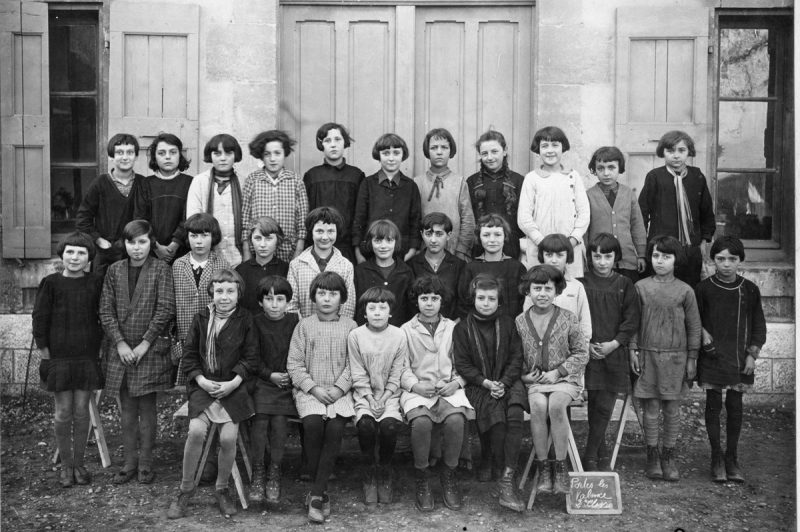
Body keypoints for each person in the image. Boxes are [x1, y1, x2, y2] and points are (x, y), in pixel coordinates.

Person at [167, 269, 260, 519]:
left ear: (239, 293)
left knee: (228, 439)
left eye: (230, 291)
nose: (224, 296)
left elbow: (251, 357)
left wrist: (234, 382)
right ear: (212, 292)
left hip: (233, 388)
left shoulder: (246, 319)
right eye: (219, 291)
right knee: (196, 431)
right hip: (204, 386)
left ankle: (222, 488)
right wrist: (201, 380)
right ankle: (185, 489)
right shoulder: (200, 319)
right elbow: (189, 356)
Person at [99, 220, 175, 485]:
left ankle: (145, 463)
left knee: (147, 407)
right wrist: (120, 343)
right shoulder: (114, 270)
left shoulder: (161, 270)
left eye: (143, 242)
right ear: (125, 244)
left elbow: (165, 309)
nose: (137, 248)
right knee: (127, 409)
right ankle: (129, 462)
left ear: (151, 243)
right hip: (121, 351)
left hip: (149, 349)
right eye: (132, 242)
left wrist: (144, 343)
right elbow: (105, 310)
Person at [33, 232, 104, 487]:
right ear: (62, 254)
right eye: (70, 252)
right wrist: (46, 357)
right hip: (59, 359)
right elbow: (39, 322)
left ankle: (79, 463)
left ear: (89, 258)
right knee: (63, 412)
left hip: (86, 357)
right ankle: (65, 466)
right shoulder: (50, 283)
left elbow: (103, 317)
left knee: (81, 410)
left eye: (81, 253)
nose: (75, 257)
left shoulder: (96, 282)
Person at [629, 235, 702, 482]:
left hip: (676, 358)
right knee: (650, 406)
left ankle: (668, 455)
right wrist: (633, 349)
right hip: (648, 354)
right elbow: (634, 323)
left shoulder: (685, 291)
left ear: (676, 260)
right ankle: (652, 455)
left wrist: (692, 357)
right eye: (656, 255)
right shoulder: (641, 287)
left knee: (671, 407)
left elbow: (694, 326)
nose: (660, 261)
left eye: (666, 256)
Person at [287, 272, 357, 523]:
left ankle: (316, 494)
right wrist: (313, 388)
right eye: (322, 293)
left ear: (342, 298)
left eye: (333, 294)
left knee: (336, 427)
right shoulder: (304, 325)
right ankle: (322, 491)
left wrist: (339, 388)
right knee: (313, 424)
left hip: (341, 392)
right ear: (314, 296)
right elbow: (294, 365)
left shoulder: (351, 326)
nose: (327, 299)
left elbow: (355, 364)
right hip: (311, 391)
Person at [695, 236, 766, 483]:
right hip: (712, 355)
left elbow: (758, 324)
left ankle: (731, 458)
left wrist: (752, 354)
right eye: (720, 259)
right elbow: (694, 319)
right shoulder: (703, 289)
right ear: (712, 259)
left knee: (735, 407)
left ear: (740, 261)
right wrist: (702, 334)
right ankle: (716, 457)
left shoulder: (749, 290)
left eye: (732, 259)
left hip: (740, 357)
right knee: (713, 405)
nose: (726, 264)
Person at [401, 275, 474, 512]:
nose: (429, 303)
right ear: (416, 300)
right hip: (418, 390)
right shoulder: (405, 330)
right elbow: (399, 367)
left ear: (442, 301)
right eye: (424, 298)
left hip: (448, 388)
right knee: (421, 423)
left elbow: (464, 363)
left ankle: (449, 474)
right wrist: (413, 385)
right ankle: (422, 475)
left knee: (455, 420)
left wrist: (457, 382)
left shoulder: (453, 327)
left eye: (435, 298)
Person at [453, 274, 526, 512]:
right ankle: (496, 467)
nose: (486, 303)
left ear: (499, 300)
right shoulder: (462, 328)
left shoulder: (507, 323)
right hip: (479, 384)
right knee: (495, 416)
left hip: (508, 380)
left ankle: (505, 476)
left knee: (514, 412)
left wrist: (503, 382)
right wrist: (487, 383)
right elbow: (463, 364)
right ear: (473, 298)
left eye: (491, 298)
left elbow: (516, 357)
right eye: (481, 298)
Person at [516, 265, 588, 496]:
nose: (543, 293)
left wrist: (558, 372)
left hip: (565, 379)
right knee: (538, 406)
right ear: (528, 290)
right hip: (536, 381)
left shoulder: (568, 317)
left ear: (557, 290)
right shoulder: (520, 321)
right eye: (537, 288)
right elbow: (515, 356)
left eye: (548, 288)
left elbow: (581, 352)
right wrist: (524, 375)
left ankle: (561, 466)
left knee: (556, 405)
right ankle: (543, 466)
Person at [579, 233, 641, 471]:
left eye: (607, 256)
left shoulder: (624, 284)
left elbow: (631, 318)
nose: (602, 262)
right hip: (588, 350)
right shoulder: (582, 283)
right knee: (594, 403)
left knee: (606, 404)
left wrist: (615, 343)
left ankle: (589, 454)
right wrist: (586, 345)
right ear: (590, 257)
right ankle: (599, 453)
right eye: (597, 256)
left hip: (614, 351)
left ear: (616, 257)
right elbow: (575, 317)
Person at [348, 288, 407, 504]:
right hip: (364, 395)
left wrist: (385, 397)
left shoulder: (399, 335)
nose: (377, 313)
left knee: (390, 426)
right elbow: (357, 371)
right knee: (366, 426)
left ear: (391, 311)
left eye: (383, 308)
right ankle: (368, 470)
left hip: (390, 395)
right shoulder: (356, 336)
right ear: (364, 312)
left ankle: (384, 468)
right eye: (371, 308)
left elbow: (397, 371)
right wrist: (371, 398)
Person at [638, 130, 715, 289]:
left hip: (690, 248)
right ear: (662, 152)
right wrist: (643, 248)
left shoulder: (697, 176)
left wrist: (703, 242)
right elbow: (642, 214)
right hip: (662, 247)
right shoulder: (655, 177)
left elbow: (706, 211)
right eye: (670, 151)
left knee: (689, 289)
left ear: (689, 152)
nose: (676, 156)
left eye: (682, 150)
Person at [249, 276, 300, 503]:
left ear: (288, 301)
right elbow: (251, 357)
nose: (275, 304)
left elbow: (300, 352)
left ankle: (275, 471)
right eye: (269, 299)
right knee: (259, 419)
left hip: (287, 383)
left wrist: (290, 375)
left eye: (280, 299)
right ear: (261, 302)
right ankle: (258, 470)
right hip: (263, 381)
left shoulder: (295, 321)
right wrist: (270, 374)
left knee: (279, 421)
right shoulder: (254, 322)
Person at [518, 126, 590, 279]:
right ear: (538, 150)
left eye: (555, 145)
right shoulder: (532, 178)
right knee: (541, 285)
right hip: (540, 248)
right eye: (545, 146)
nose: (550, 150)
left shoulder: (573, 176)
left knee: (568, 289)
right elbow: (524, 218)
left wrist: (572, 241)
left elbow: (584, 213)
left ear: (563, 147)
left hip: (569, 249)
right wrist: (542, 242)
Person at [172, 214, 230, 387]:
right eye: (194, 236)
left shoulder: (221, 263)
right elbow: (173, 304)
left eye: (204, 236)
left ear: (213, 237)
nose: (199, 241)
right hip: (185, 337)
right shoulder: (178, 265)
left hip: (214, 337)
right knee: (190, 386)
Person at [76, 133, 144, 278]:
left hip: (134, 251)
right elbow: (83, 218)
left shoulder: (143, 183)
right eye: (119, 152)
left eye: (130, 152)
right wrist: (100, 241)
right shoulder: (100, 183)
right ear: (111, 157)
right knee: (103, 294)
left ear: (136, 156)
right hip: (106, 253)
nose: (125, 157)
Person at [352, 133, 422, 263]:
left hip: (403, 254)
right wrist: (358, 252)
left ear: (403, 155)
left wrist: (412, 252)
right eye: (385, 153)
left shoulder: (411, 186)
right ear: (378, 155)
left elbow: (415, 221)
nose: (391, 158)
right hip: (370, 253)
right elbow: (359, 220)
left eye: (396, 153)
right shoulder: (367, 184)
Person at [241, 130, 309, 262]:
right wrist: (246, 252)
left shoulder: (295, 181)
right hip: (258, 254)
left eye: (277, 153)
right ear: (261, 156)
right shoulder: (252, 180)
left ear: (285, 154)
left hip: (287, 253)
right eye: (267, 154)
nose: (272, 159)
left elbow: (302, 223)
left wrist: (298, 252)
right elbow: (245, 221)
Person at [303, 123, 365, 265]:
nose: (333, 145)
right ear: (321, 145)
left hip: (347, 248)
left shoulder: (356, 175)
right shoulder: (312, 176)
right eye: (327, 141)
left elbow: (360, 214)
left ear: (345, 143)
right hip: (318, 246)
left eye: (338, 140)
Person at [585, 146, 647, 284]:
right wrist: (586, 259)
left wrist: (641, 254)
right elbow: (585, 231)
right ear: (595, 170)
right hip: (600, 262)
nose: (606, 173)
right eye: (601, 168)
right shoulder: (588, 196)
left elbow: (637, 226)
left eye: (611, 168)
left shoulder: (628, 194)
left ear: (620, 168)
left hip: (627, 260)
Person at [413, 128, 475, 261]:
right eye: (434, 148)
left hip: (454, 252)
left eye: (444, 147)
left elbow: (468, 220)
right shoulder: (417, 182)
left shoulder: (459, 182)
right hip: (425, 253)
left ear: (450, 151)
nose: (439, 152)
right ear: (427, 151)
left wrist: (461, 251)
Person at [134, 133, 194, 265]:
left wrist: (175, 245)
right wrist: (156, 246)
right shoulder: (145, 184)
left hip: (182, 252)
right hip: (152, 252)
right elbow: (141, 219)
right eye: (161, 153)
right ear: (154, 157)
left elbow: (189, 218)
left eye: (173, 152)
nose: (168, 157)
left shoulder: (190, 182)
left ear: (180, 155)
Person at [186, 134, 245, 267]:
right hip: (207, 257)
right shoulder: (200, 181)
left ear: (235, 155)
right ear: (210, 155)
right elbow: (193, 220)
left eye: (228, 153)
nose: (223, 158)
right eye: (217, 153)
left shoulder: (244, 182)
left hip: (238, 257)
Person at [287, 207, 356, 319]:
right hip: (304, 331)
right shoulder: (296, 265)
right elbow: (291, 304)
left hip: (336, 332)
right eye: (319, 231)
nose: (325, 237)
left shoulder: (346, 265)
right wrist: (303, 328)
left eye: (330, 231)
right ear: (311, 232)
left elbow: (348, 306)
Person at [466, 130, 525, 260]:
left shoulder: (519, 181)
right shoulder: (472, 182)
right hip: (481, 246)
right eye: (484, 153)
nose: (490, 157)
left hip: (511, 246)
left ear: (504, 151)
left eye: (494, 151)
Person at [524, 233, 592, 341]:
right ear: (542, 255)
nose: (554, 260)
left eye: (559, 255)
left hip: (570, 347)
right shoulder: (534, 284)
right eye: (549, 255)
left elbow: (584, 320)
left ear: (567, 256)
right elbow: (526, 317)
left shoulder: (577, 286)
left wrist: (584, 345)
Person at [458, 214, 526, 320]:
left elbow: (522, 302)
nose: (492, 240)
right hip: (479, 328)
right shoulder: (470, 268)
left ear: (505, 236)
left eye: (498, 235)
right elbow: (463, 303)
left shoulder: (516, 267)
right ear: (479, 237)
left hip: (510, 327)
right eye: (486, 235)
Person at [406, 212, 466, 320]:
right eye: (428, 234)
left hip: (451, 328)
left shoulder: (459, 265)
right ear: (421, 234)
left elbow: (462, 302)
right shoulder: (411, 265)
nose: (433, 240)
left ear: (448, 236)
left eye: (439, 234)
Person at [354, 220, 415, 327]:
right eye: (377, 241)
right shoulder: (360, 271)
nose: (383, 246)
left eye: (389, 240)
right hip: (367, 332)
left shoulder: (406, 272)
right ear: (370, 242)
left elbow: (411, 309)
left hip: (397, 333)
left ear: (396, 242)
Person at [235, 217, 290, 315]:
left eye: (269, 238)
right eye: (258, 238)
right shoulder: (241, 270)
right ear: (251, 240)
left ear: (278, 240)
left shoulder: (286, 269)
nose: (263, 244)